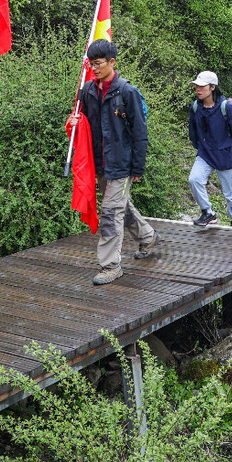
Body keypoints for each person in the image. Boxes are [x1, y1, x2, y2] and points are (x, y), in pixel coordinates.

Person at [69, 39, 158, 285]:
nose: (94, 68)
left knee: (110, 212)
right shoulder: (88, 91)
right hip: (99, 163)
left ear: (112, 62)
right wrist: (75, 122)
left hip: (121, 163)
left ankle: (110, 266)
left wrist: (138, 167)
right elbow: (85, 123)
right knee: (120, 207)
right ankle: (147, 236)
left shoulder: (127, 92)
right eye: (91, 64)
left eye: (98, 63)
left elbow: (140, 132)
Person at [187, 70, 232, 227]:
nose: (198, 89)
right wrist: (199, 146)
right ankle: (208, 213)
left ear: (213, 87)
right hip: (205, 153)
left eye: (202, 86)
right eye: (197, 86)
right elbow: (193, 131)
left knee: (231, 195)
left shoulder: (225, 107)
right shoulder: (195, 107)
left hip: (226, 155)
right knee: (194, 179)